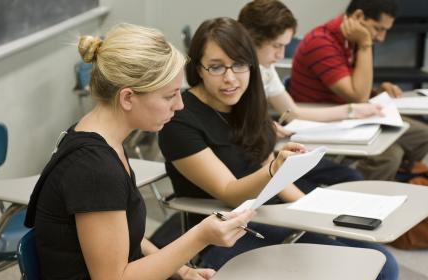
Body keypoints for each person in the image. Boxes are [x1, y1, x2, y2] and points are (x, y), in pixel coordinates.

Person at [158, 17, 398, 280]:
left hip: (272, 213)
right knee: (371, 270)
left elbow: (266, 166)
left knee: (382, 261)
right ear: (199, 69)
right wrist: (276, 169)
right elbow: (229, 192)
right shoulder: (180, 119)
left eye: (239, 65)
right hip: (228, 232)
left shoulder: (246, 104)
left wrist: (312, 209)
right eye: (216, 67)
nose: (229, 78)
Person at [24, 23, 255, 280]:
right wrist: (200, 236)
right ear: (127, 98)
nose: (179, 105)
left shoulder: (99, 137)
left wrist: (183, 270)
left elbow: (122, 234)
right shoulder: (95, 168)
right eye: (170, 96)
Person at [288, 0, 428, 180]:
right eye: (378, 28)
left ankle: (397, 179)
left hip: (351, 114)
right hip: (324, 117)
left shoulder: (350, 40)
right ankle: (360, 191)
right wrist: (365, 44)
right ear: (358, 16)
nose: (381, 37)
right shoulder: (322, 42)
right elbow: (357, 96)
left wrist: (375, 92)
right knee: (390, 156)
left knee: (424, 136)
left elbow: (356, 89)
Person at [238, 0, 376, 189]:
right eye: (277, 46)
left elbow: (293, 112)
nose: (280, 55)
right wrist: (261, 127)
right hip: (253, 164)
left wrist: (351, 110)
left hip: (270, 157)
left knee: (352, 177)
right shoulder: (234, 79)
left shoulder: (265, 70)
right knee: (323, 190)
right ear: (251, 40)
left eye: (284, 46)